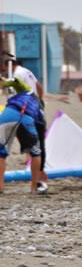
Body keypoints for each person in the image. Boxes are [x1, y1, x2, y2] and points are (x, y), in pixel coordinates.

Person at [0, 51, 44, 193]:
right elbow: (39, 86)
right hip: (27, 116)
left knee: (1, 152)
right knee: (36, 152)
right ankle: (33, 188)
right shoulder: (27, 75)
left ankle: (0, 186)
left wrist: (3, 81)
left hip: (8, 114)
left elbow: (11, 83)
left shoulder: (17, 76)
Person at [9, 54, 49, 192]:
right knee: (40, 143)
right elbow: (39, 86)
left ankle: (35, 179)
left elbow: (16, 93)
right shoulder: (26, 71)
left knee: (31, 143)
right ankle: (40, 173)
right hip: (37, 107)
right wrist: (40, 101)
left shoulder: (16, 74)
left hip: (25, 110)